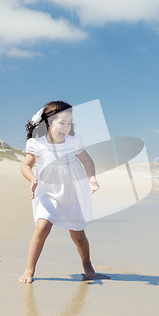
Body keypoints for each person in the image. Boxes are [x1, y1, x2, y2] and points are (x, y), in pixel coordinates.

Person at [19, 100, 99, 283]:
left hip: (71, 192)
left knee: (78, 234)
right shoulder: (37, 144)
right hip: (47, 191)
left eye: (69, 123)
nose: (66, 127)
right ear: (47, 123)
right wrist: (32, 178)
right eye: (61, 122)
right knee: (42, 227)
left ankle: (87, 266)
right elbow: (25, 165)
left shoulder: (73, 142)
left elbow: (87, 161)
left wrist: (92, 178)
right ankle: (29, 270)